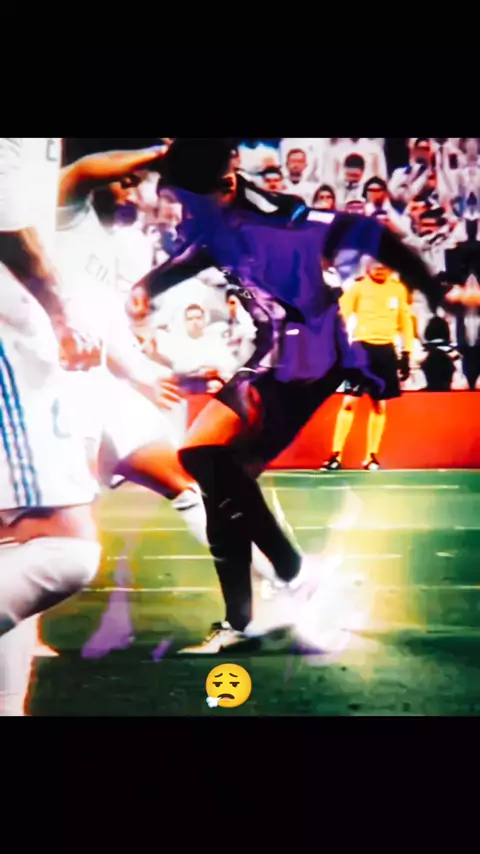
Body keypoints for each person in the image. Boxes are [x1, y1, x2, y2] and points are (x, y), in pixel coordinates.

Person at [138, 139, 442, 654]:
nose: (184, 211)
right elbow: (197, 255)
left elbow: (374, 235)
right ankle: (243, 621)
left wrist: (436, 292)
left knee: (203, 456)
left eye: (191, 200)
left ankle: (296, 575)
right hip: (275, 351)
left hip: (309, 355)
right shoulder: (217, 223)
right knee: (219, 480)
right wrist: (146, 288)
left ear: (226, 187)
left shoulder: (287, 220)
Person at [0, 138, 103, 715]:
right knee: (66, 550)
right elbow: (8, 228)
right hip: (11, 328)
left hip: (19, 324)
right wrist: (62, 314)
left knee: (11, 543)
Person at [321, 261, 413, 472]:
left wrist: (407, 352)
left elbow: (405, 322)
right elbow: (341, 314)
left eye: (385, 267)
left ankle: (371, 457)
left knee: (379, 406)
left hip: (386, 351)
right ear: (368, 267)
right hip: (361, 349)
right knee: (349, 403)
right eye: (377, 267)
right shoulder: (359, 287)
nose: (381, 270)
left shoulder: (398, 289)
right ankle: (335, 455)